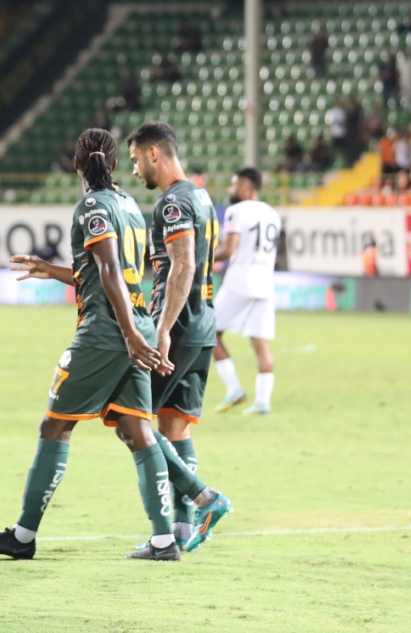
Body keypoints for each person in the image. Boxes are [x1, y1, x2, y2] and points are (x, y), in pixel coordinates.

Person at [0, 128, 204, 562]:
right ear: (116, 163)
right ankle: (164, 541)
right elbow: (113, 272)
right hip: (137, 325)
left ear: (76, 163)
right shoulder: (130, 205)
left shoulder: (91, 206)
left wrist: (127, 335)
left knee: (55, 426)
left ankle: (23, 536)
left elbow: (109, 272)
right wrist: (52, 270)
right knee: (139, 431)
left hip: (107, 333)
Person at [125, 121, 233, 551]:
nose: (135, 170)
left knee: (133, 419)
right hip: (204, 323)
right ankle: (183, 530)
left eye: (136, 160)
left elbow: (183, 264)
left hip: (180, 325)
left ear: (154, 153)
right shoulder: (201, 197)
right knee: (174, 425)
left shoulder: (172, 203)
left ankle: (204, 497)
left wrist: (164, 328)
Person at [212, 168, 281, 415]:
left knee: (209, 333)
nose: (230, 190)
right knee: (260, 343)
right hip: (265, 283)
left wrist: (200, 258)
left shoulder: (237, 211)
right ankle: (262, 403)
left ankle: (234, 389)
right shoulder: (272, 214)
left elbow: (228, 249)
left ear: (244, 186)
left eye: (233, 185)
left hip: (240, 281)